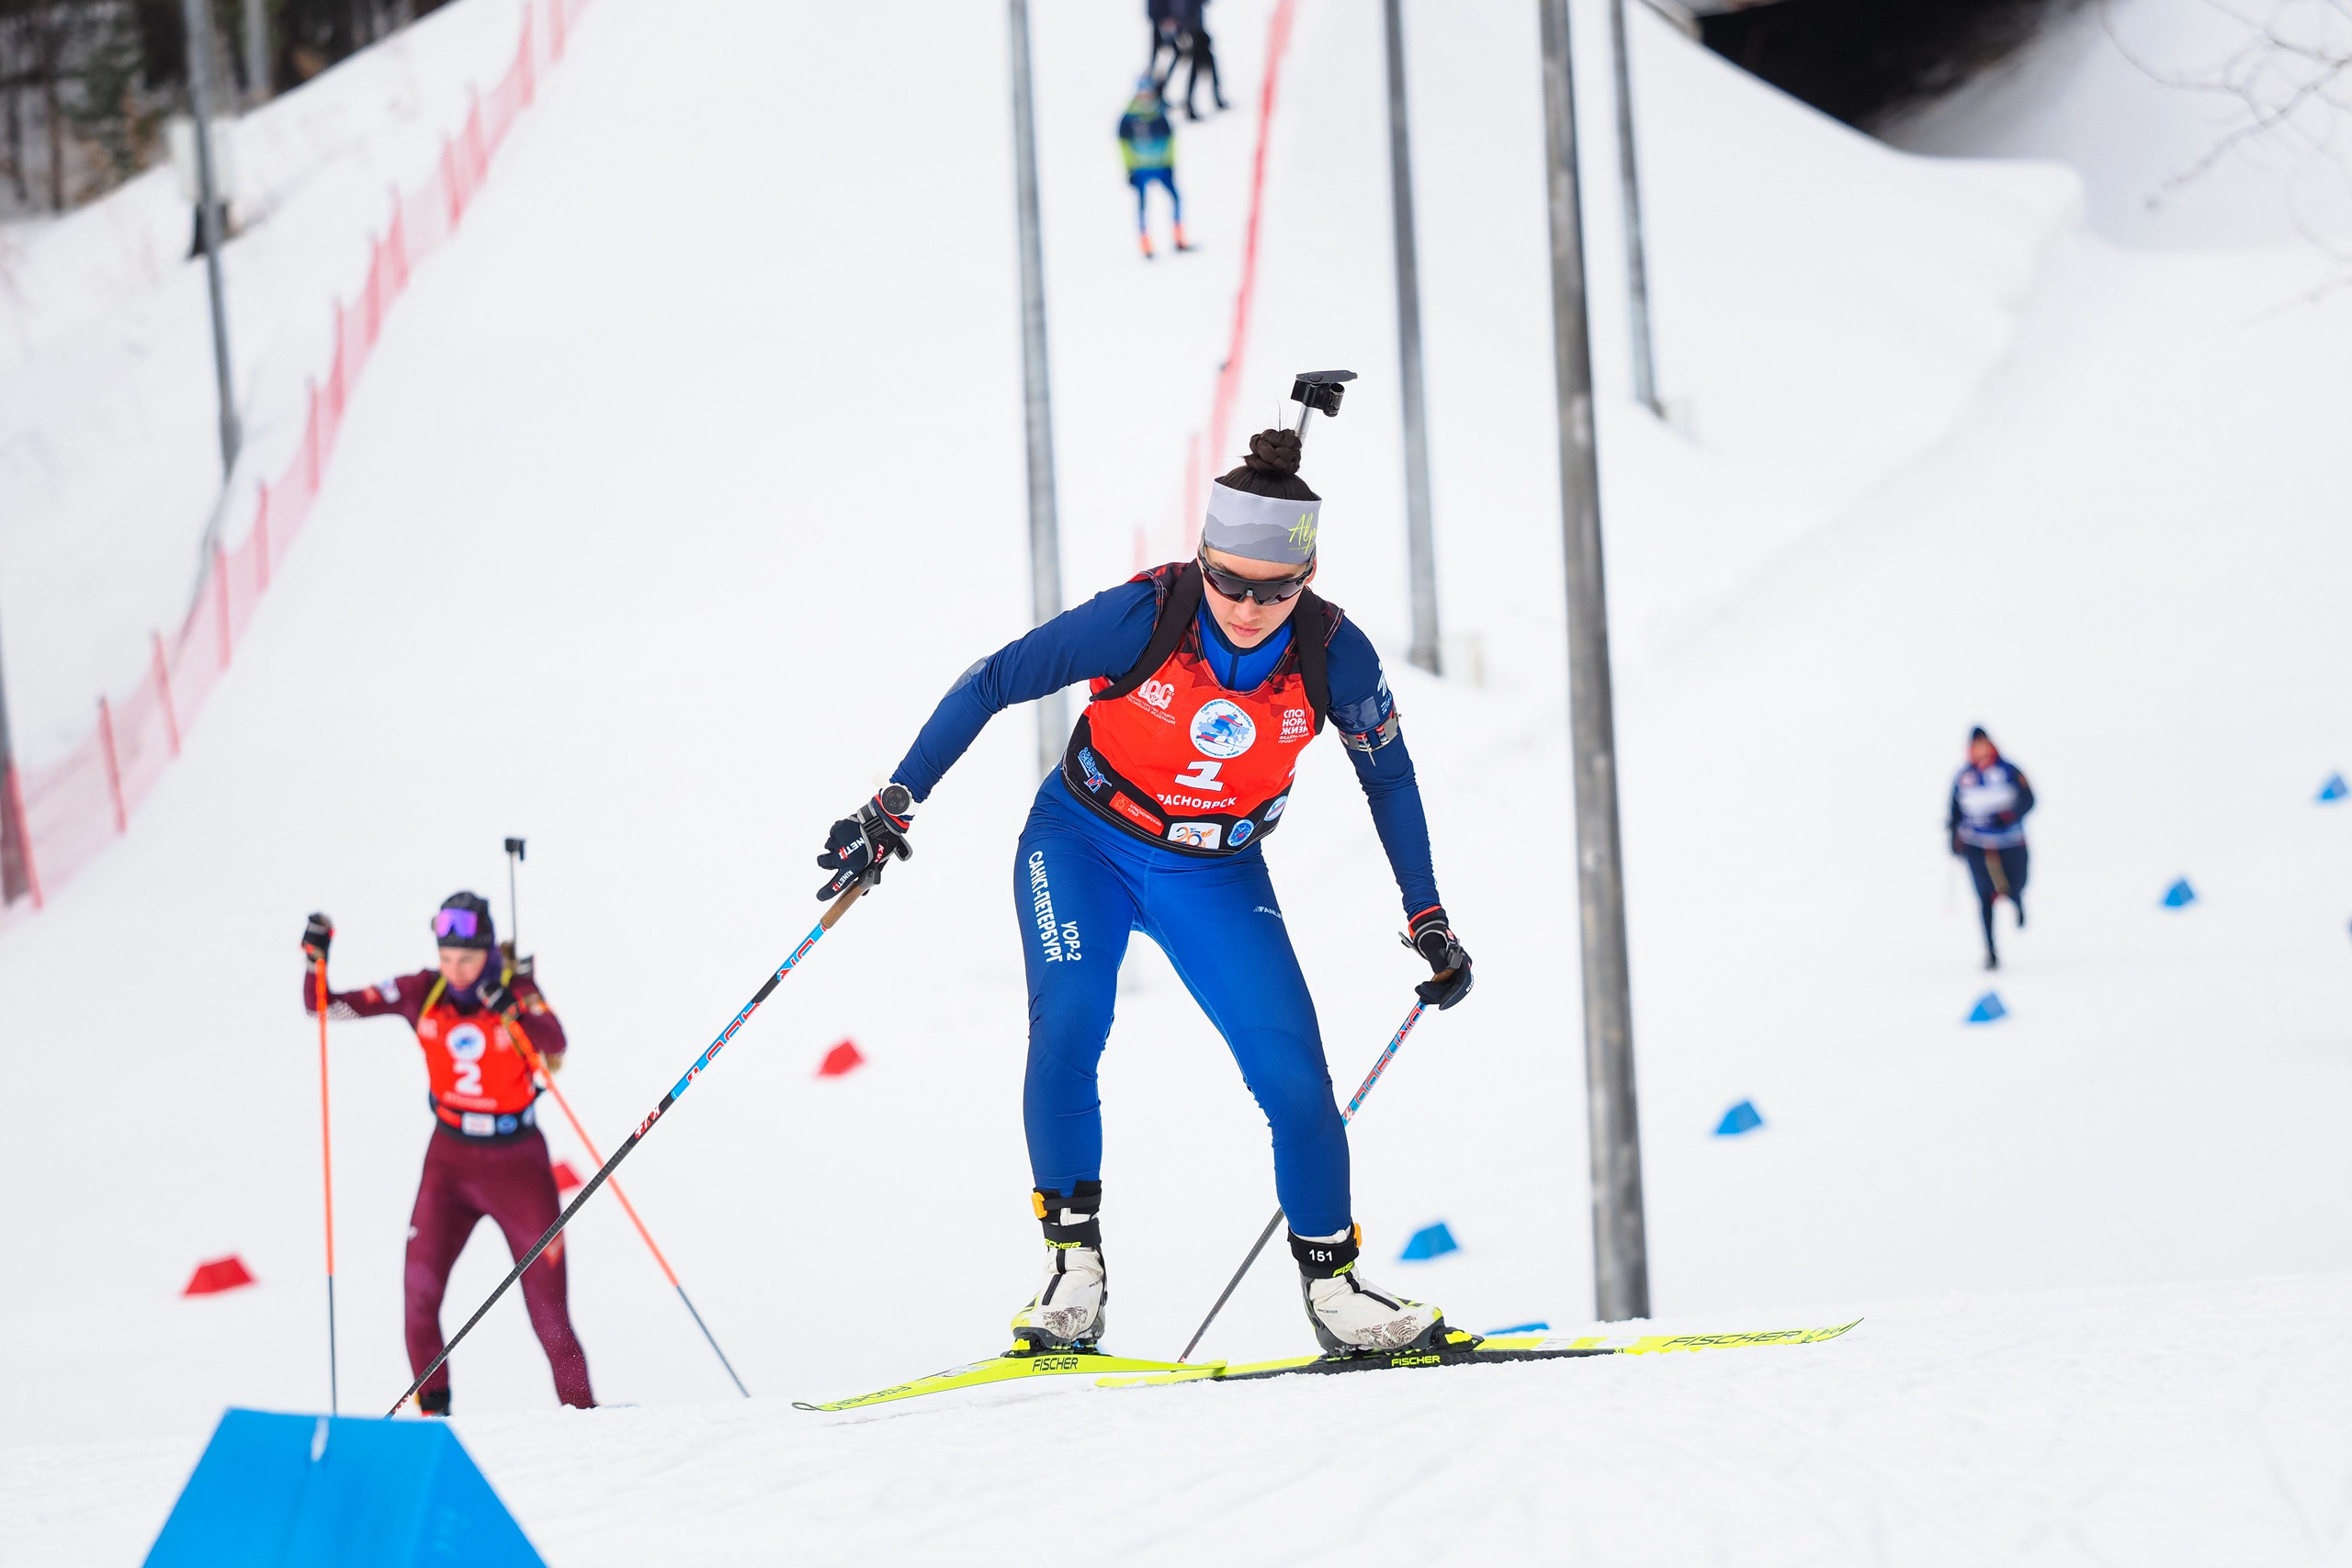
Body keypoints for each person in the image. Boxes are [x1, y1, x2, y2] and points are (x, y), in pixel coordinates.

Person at [811, 425, 1473, 1358]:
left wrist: (1427, 916)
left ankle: (1336, 1291)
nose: (1247, 606)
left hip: (1215, 870)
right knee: (1072, 1020)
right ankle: (1071, 1275)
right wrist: (894, 802)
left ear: (1307, 577)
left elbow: (1390, 780)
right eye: (1228, 582)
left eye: (1274, 588)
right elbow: (996, 678)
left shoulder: (1335, 654)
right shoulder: (1144, 614)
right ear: (1202, 561)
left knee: (1294, 1078)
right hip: (1082, 843)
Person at [300, 893, 594, 1413]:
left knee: (550, 1318)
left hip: (518, 1164)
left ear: (488, 953)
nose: (455, 970)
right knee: (418, 1297)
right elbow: (327, 1006)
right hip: (450, 1163)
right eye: (446, 957)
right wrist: (314, 964)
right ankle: (436, 1420)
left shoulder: (515, 987)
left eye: (467, 958)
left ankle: (585, 1420)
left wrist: (510, 1008)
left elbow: (556, 1041)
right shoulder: (422, 990)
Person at [1949, 728, 2035, 970]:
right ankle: (1990, 951)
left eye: (1984, 744)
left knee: (2015, 884)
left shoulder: (2009, 770)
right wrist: (1954, 838)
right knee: (1984, 895)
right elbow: (1954, 810)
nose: (1981, 749)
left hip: (2010, 841)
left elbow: (2029, 799)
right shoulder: (1964, 776)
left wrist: (2009, 815)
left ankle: (2017, 901)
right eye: (1976, 745)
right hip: (1976, 844)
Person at [1118, 78, 1190, 260]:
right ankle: (1145, 245)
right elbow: (1123, 145)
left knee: (1175, 199)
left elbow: (1170, 140)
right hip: (1141, 168)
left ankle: (1179, 238)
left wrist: (1170, 163)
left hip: (1161, 165)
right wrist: (1129, 168)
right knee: (1143, 206)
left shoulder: (1159, 114)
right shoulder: (1129, 117)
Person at [1176, 0, 1227, 118]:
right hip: (1193, 31)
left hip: (1196, 29)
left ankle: (1215, 98)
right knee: (1196, 69)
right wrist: (1184, 31)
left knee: (1209, 64)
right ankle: (1190, 104)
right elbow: (1182, 9)